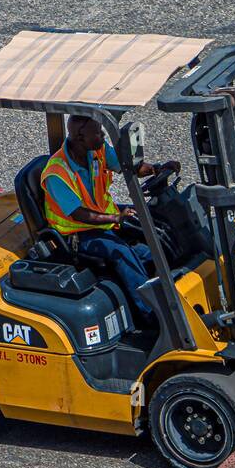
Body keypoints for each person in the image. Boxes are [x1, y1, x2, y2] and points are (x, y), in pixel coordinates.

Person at [40, 114, 178, 329]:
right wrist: (116, 218)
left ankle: (167, 293)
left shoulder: (98, 150)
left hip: (103, 221)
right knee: (122, 253)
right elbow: (79, 215)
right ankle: (152, 317)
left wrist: (156, 169)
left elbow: (128, 166)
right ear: (80, 137)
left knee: (153, 238)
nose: (103, 135)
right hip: (77, 234)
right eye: (98, 132)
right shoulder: (57, 174)